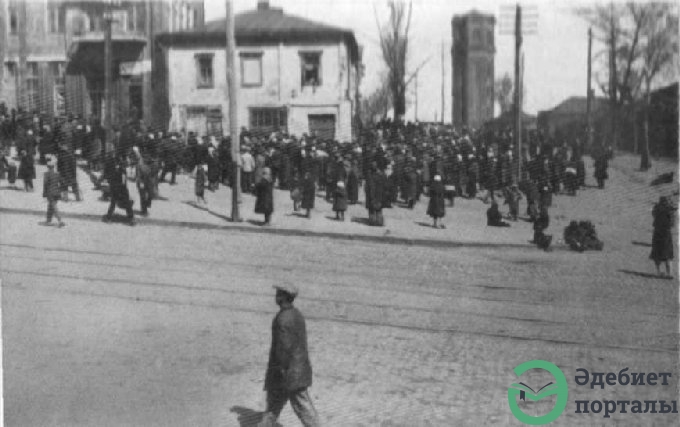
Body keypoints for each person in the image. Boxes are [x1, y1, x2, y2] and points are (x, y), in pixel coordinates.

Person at [259, 283, 320, 427]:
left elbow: (284, 348)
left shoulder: (282, 319)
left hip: (287, 373)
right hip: (297, 369)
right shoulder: (296, 314)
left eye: (279, 295)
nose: (276, 297)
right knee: (273, 404)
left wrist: (281, 371)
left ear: (284, 297)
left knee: (303, 408)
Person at [102, 153, 135, 225]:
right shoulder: (120, 165)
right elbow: (124, 177)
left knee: (114, 202)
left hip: (115, 186)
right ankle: (131, 218)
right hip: (120, 186)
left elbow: (106, 175)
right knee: (126, 202)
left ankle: (108, 217)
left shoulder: (110, 163)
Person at [650, 196, 675, 277]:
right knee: (668, 253)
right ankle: (669, 273)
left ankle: (659, 272)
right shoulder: (669, 210)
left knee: (657, 252)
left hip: (657, 232)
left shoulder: (656, 209)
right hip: (666, 233)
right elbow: (672, 224)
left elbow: (653, 214)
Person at [41, 157, 65, 228]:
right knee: (50, 206)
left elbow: (45, 185)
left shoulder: (46, 174)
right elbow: (62, 183)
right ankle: (48, 220)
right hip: (57, 192)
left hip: (50, 192)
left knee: (53, 206)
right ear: (53, 167)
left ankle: (60, 220)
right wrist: (60, 190)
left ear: (47, 167)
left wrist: (44, 194)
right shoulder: (57, 174)